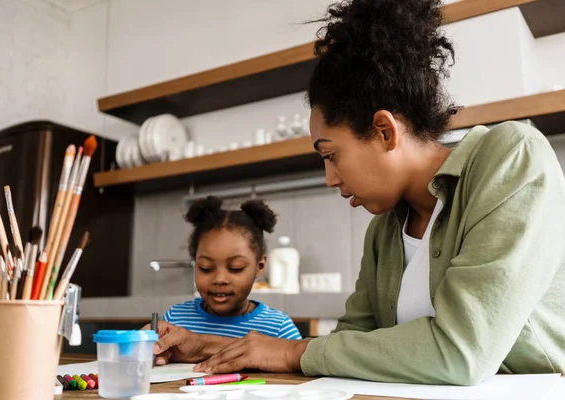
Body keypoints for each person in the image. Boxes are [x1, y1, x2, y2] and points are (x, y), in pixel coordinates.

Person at [149, 0, 565, 385]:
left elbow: (460, 353)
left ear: (384, 131)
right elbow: (345, 348)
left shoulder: (511, 159)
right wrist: (212, 347)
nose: (330, 178)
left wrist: (294, 352)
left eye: (331, 155)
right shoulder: (385, 229)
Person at [144, 196, 301, 365]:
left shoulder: (278, 327)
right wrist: (146, 347)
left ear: (260, 266)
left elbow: (303, 373)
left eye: (235, 268)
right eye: (205, 268)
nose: (219, 279)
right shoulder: (176, 319)